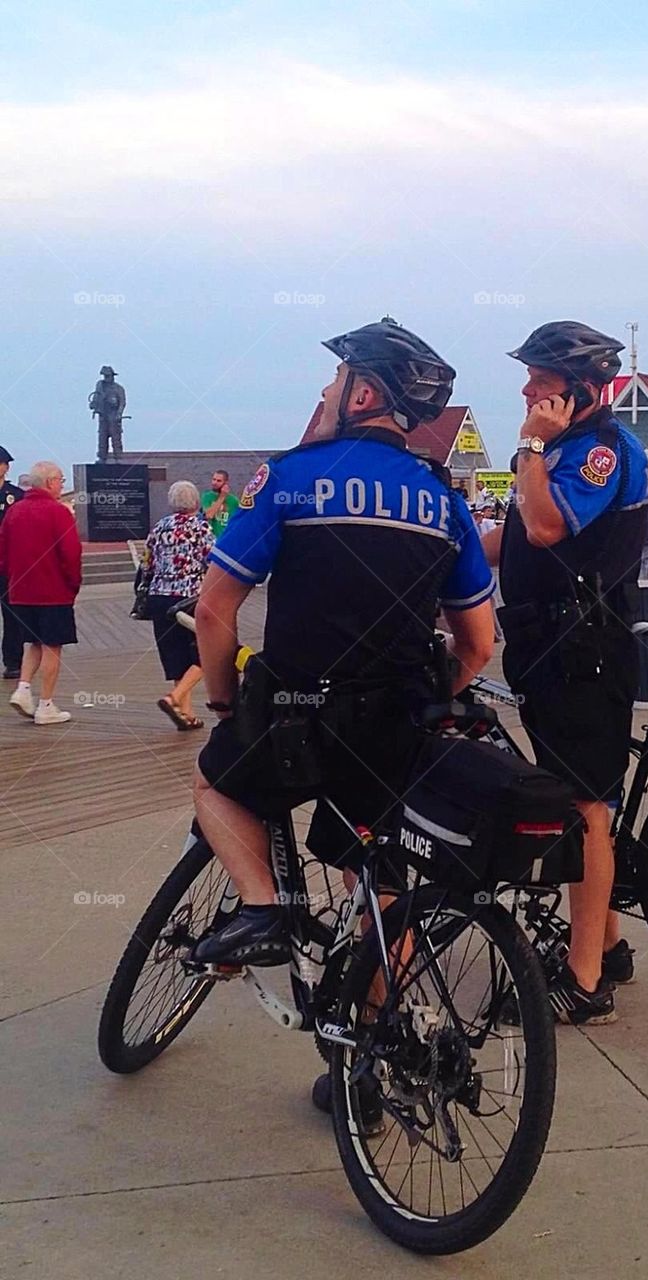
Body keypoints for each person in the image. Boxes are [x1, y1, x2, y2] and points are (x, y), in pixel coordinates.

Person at [190, 317, 494, 957]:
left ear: (361, 396)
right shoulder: (444, 500)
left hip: (294, 719)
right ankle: (387, 1037)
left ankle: (263, 909)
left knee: (216, 783)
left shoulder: (292, 477)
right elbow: (478, 645)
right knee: (379, 879)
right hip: (394, 726)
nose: (325, 392)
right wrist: (433, 696)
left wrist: (222, 704)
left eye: (334, 379)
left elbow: (215, 610)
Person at [485, 320, 648, 1025]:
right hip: (550, 648)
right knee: (582, 802)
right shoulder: (569, 447)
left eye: (541, 383)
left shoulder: (599, 453)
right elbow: (515, 534)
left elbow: (547, 528)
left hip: (584, 652)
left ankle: (585, 983)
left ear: (580, 392)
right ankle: (605, 944)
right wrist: (438, 558)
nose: (527, 391)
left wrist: (527, 446)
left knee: (584, 812)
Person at [0, 462, 81, 724]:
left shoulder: (15, 511)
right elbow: (71, 554)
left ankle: (24, 689)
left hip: (21, 591)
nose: (62, 484)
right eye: (60, 480)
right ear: (48, 483)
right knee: (52, 646)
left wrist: (13, 577)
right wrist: (73, 585)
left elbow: (3, 550)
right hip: (53, 591)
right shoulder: (58, 513)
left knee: (33, 642)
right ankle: (46, 704)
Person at [143, 481, 215, 730]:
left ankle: (186, 713)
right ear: (195, 502)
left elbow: (148, 564)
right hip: (190, 599)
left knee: (174, 655)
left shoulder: (159, 527)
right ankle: (173, 698)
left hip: (159, 598)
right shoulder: (201, 528)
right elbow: (212, 562)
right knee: (208, 652)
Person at [0, 445, 24, 678]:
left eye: (2, 463)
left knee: (11, 615)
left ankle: (13, 662)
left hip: (7, 565)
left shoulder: (16, 496)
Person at [89, 366, 126, 462]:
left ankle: (118, 458)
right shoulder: (100, 386)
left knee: (116, 437)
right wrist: (93, 404)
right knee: (102, 437)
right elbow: (96, 397)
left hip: (113, 415)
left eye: (108, 376)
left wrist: (119, 414)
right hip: (103, 415)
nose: (106, 378)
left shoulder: (119, 389)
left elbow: (122, 402)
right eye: (105, 376)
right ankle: (102, 457)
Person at [201, 469, 240, 538]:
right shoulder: (206, 496)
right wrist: (222, 497)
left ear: (226, 482)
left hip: (225, 538)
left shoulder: (234, 501)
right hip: (210, 538)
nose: (215, 483)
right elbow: (208, 515)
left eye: (219, 481)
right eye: (214, 479)